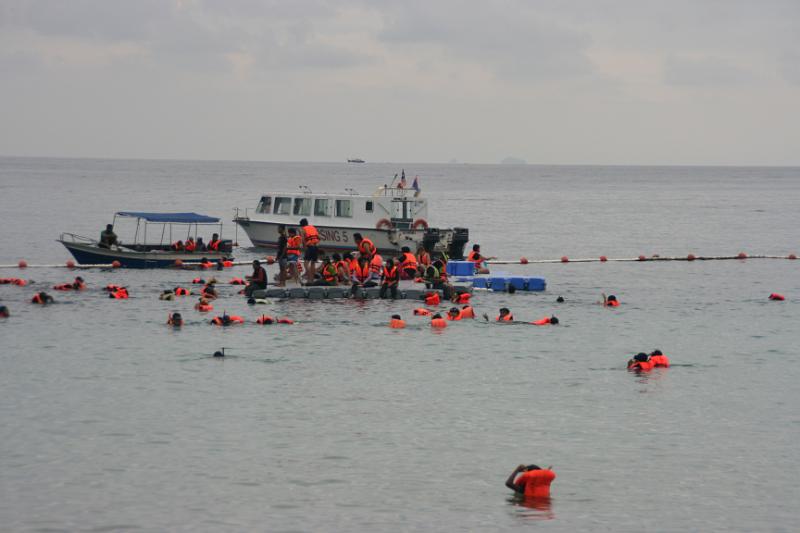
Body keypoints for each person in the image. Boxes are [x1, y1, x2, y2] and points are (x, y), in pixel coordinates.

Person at [299, 218, 320, 283]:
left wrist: (305, 248)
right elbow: (319, 237)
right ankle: (312, 279)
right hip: (316, 247)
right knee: (313, 263)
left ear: (301, 225)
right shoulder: (313, 227)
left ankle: (309, 278)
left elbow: (302, 239)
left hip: (310, 247)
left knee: (305, 263)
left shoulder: (302, 229)